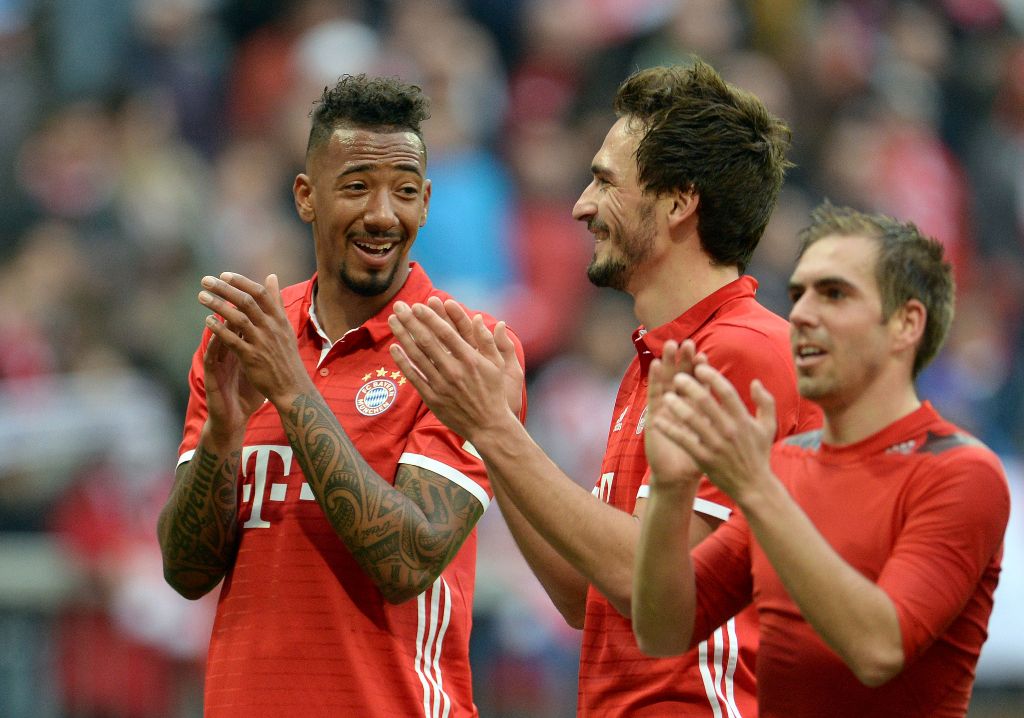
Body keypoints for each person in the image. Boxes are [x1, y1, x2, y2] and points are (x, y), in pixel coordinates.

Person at [389, 60, 821, 716]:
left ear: (678, 202)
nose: (581, 206)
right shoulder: (657, 361)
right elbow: (581, 597)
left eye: (604, 182)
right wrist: (493, 431)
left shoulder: (743, 351)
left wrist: (500, 433)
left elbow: (653, 583)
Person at [157, 74, 525, 718]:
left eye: (405, 192)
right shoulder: (251, 338)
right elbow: (186, 573)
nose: (383, 214)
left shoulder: (467, 350)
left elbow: (409, 560)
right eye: (357, 187)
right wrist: (221, 434)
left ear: (428, 201)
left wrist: (292, 389)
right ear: (306, 196)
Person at [632, 203, 1010, 717]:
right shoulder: (787, 467)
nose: (803, 314)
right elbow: (661, 631)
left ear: (906, 323)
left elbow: (878, 649)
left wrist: (756, 487)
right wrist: (672, 493)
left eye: (834, 294)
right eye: (799, 294)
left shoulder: (962, 474)